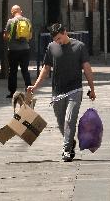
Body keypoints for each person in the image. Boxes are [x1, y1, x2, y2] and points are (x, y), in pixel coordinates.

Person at [27, 23, 96, 162]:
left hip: (75, 89)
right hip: (57, 92)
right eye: (55, 39)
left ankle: (66, 150)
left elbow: (87, 69)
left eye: (59, 38)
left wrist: (92, 89)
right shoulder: (51, 47)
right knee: (61, 123)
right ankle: (70, 142)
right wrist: (35, 87)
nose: (58, 42)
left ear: (65, 32)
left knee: (70, 120)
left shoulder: (79, 46)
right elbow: (46, 69)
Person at [3, 5, 32, 98]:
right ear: (21, 11)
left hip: (13, 50)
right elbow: (30, 35)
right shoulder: (27, 21)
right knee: (25, 70)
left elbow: (6, 36)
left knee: (13, 71)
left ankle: (12, 92)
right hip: (25, 49)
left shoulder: (11, 21)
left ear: (12, 12)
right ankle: (29, 90)